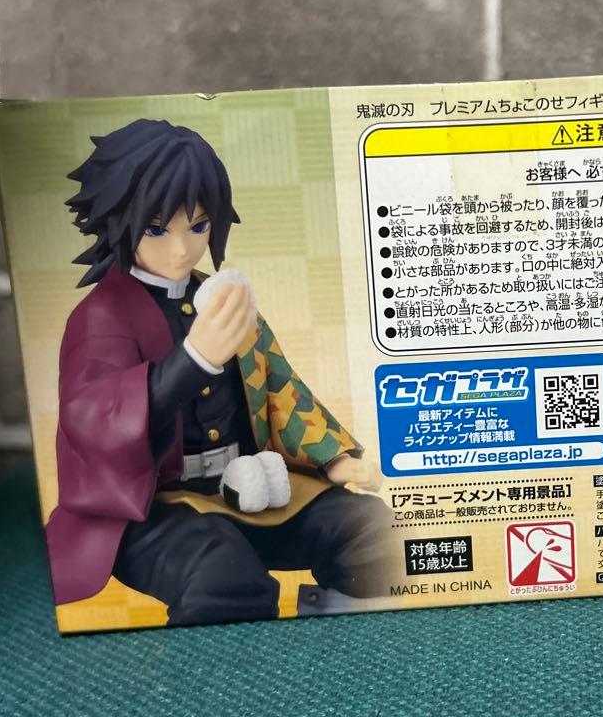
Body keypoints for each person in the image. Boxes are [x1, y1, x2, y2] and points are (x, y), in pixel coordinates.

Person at [45, 119, 394, 626]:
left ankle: (349, 635)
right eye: (157, 228)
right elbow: (93, 421)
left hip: (254, 486)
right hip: (155, 508)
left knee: (371, 531)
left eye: (199, 226)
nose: (182, 249)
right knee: (225, 578)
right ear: (121, 219)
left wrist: (332, 458)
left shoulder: (223, 297)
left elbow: (278, 386)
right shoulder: (101, 317)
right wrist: (193, 360)